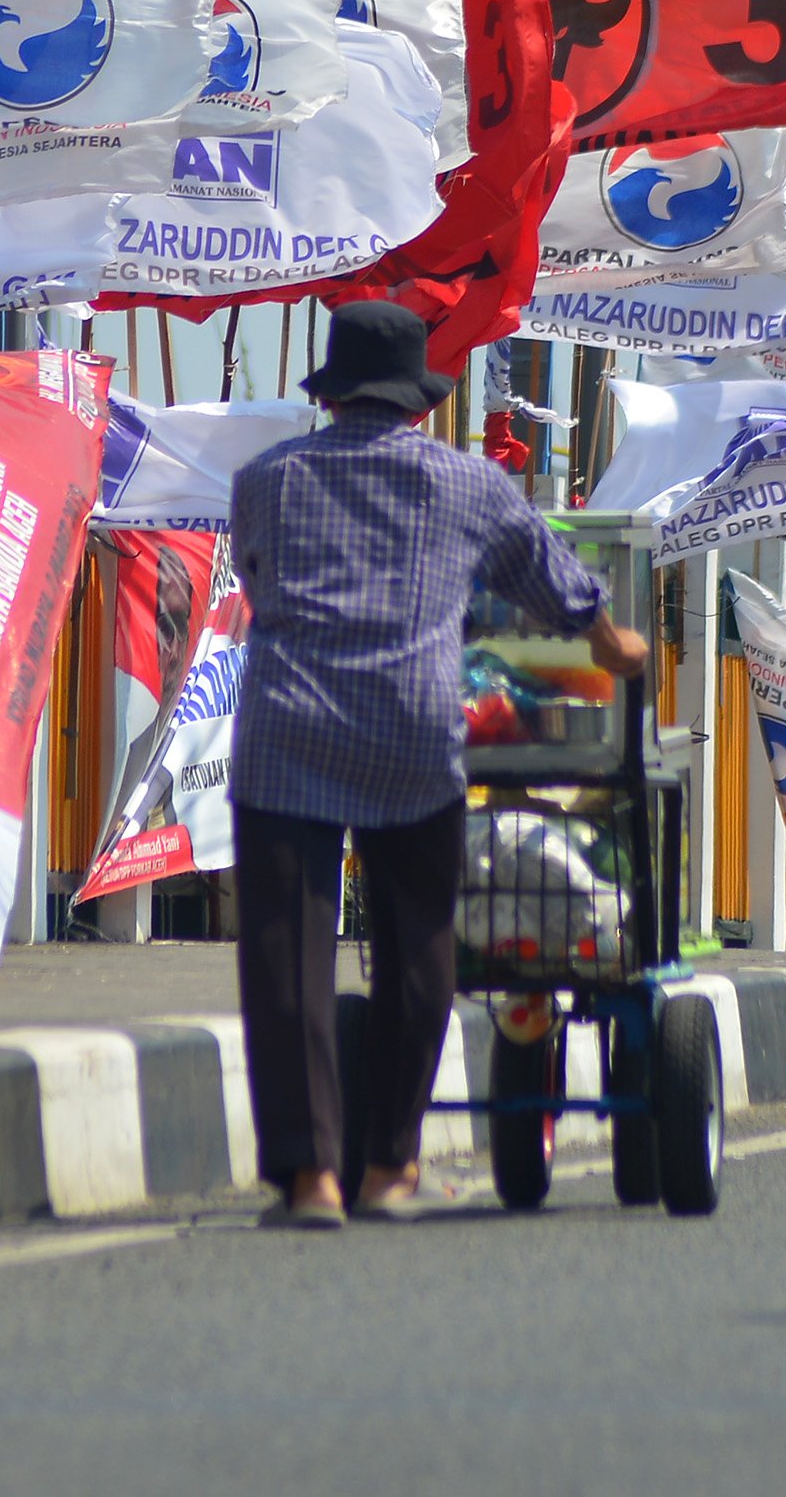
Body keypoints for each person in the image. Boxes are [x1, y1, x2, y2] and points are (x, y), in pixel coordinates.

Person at [225, 301, 649, 1228]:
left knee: (284, 958)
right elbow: (559, 587)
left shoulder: (266, 479)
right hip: (410, 729)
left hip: (289, 726)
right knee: (419, 949)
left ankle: (309, 1182)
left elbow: (259, 585)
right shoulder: (469, 485)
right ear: (421, 399)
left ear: (331, 393)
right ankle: (387, 1168)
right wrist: (619, 649)